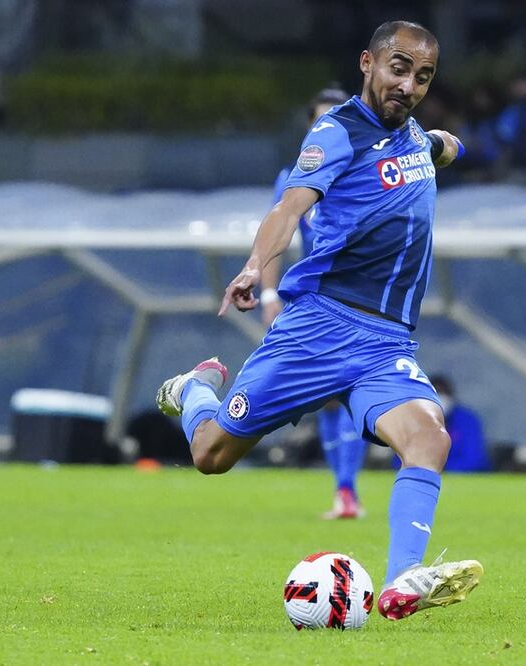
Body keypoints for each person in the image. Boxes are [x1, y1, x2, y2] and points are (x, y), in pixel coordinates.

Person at [154, 21, 482, 621]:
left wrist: (445, 144)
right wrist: (257, 266)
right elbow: (288, 207)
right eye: (398, 67)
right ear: (368, 63)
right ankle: (196, 390)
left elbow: (433, 148)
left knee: (429, 437)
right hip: (318, 330)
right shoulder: (334, 135)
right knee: (211, 455)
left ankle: (404, 579)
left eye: (423, 76)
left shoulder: (412, 137)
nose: (408, 84)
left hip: (385, 341)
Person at [259, 86, 369, 520]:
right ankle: (344, 491)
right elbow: (276, 237)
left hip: (360, 300)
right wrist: (270, 295)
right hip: (314, 299)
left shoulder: (367, 172)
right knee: (325, 396)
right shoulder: (294, 180)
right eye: (321, 119)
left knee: (349, 391)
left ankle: (348, 489)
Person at [404, 375, 491, 473]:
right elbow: (401, 458)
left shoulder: (467, 420)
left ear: (451, 396)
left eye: (443, 394)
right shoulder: (413, 421)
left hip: (463, 479)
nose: (439, 399)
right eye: (434, 394)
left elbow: (474, 458)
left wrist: (444, 469)